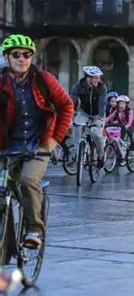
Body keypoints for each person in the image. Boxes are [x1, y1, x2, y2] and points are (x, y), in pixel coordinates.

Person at [0, 34, 74, 247]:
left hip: (37, 146)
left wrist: (54, 140)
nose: (22, 59)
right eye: (16, 55)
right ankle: (6, 246)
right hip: (7, 147)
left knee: (28, 181)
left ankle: (34, 230)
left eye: (27, 55)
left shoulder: (44, 80)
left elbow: (66, 106)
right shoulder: (2, 82)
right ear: (7, 57)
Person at [70, 65, 107, 168]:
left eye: (98, 77)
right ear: (88, 78)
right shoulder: (78, 86)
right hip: (83, 113)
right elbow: (72, 101)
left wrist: (100, 118)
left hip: (97, 115)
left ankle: (101, 156)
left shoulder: (101, 87)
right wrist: (70, 116)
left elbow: (102, 104)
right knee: (77, 130)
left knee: (98, 136)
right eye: (95, 78)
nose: (97, 80)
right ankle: (76, 155)